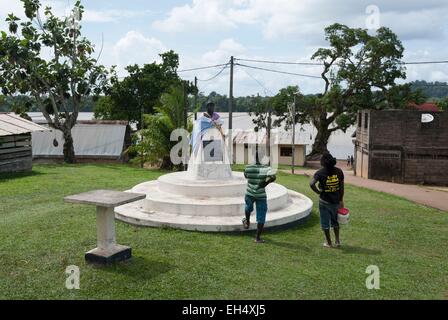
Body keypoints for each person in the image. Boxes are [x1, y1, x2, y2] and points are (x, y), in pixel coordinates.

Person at [309, 152, 345, 248]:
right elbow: (341, 187)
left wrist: (318, 192)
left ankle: (329, 243)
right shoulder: (339, 171)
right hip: (336, 202)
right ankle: (337, 241)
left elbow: (312, 184)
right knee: (335, 221)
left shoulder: (320, 173)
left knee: (325, 223)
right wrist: (341, 200)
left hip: (324, 202)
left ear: (323, 162)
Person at [242, 153, 276, 244]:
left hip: (249, 193)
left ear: (253, 158)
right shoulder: (266, 169)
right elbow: (273, 177)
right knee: (261, 216)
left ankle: (247, 221)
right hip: (261, 195)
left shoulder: (248, 167)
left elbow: (245, 175)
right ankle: (257, 238)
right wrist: (265, 183)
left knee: (248, 208)